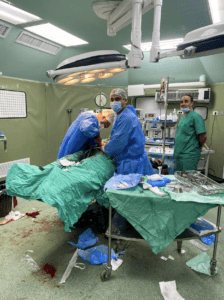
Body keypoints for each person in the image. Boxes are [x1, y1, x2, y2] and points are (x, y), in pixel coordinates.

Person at [102, 88, 154, 176]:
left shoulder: (126, 118)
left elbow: (117, 144)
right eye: (112, 99)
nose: (114, 102)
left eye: (117, 99)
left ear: (125, 100)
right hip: (134, 162)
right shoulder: (124, 114)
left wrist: (104, 147)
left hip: (131, 166)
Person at [174, 94, 207, 171]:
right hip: (179, 154)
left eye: (186, 101)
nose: (183, 104)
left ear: (191, 103)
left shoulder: (196, 116)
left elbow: (203, 136)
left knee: (187, 179)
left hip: (189, 155)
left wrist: (199, 146)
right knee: (178, 178)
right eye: (181, 102)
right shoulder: (183, 117)